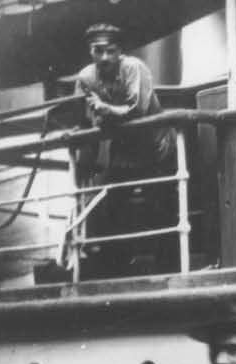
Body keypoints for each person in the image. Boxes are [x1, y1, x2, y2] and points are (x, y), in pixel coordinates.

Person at [73, 23, 176, 276]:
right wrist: (86, 162)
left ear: (120, 51)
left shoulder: (134, 68)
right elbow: (83, 121)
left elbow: (137, 110)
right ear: (90, 51)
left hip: (155, 144)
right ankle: (116, 267)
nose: (104, 57)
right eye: (98, 50)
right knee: (112, 202)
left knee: (161, 203)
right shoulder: (86, 78)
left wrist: (104, 109)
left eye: (110, 50)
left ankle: (170, 267)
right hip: (125, 147)